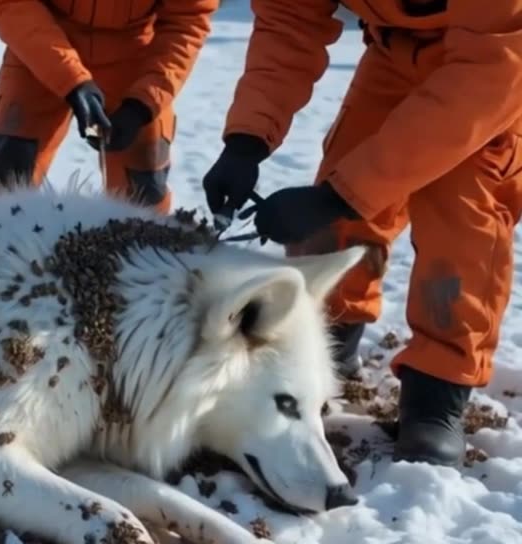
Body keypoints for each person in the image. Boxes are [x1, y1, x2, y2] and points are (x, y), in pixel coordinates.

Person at [202, 1, 522, 467]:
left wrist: (340, 196)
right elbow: (290, 19)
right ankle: (326, 337)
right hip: (392, 52)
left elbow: (495, 64)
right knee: (344, 194)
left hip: (492, 65)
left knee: (460, 215)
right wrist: (247, 140)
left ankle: (439, 390)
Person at [0, 0, 219, 213]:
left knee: (144, 193)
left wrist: (144, 102)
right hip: (42, 44)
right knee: (6, 181)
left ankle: (148, 262)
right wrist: (68, 78)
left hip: (137, 58)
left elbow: (187, 20)